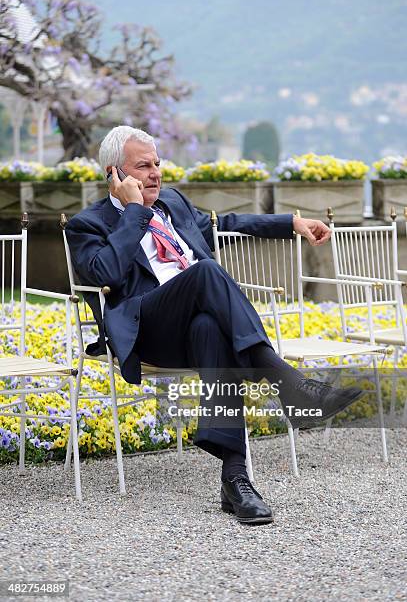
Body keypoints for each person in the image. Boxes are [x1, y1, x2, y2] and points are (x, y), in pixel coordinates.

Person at [66, 126, 361, 525]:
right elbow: (106, 274)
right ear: (114, 174)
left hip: (191, 327)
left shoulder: (173, 204)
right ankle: (289, 384)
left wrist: (291, 222)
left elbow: (228, 222)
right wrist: (134, 212)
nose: (155, 173)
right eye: (143, 166)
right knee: (205, 272)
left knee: (209, 327)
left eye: (157, 164)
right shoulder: (88, 224)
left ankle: (235, 480)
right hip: (146, 329)